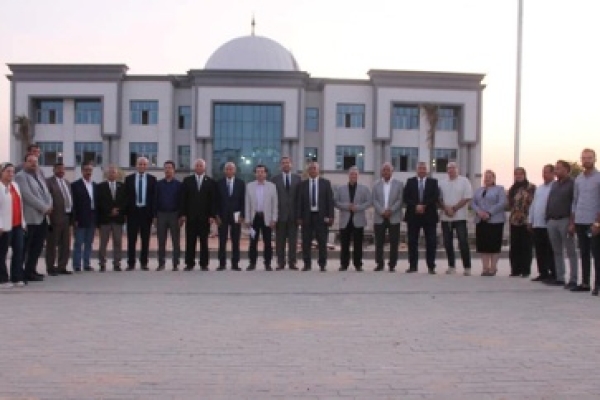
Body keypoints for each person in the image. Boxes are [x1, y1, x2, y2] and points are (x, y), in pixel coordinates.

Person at [15, 154, 52, 282]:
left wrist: (49, 205)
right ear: (25, 163)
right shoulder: (20, 177)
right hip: (30, 217)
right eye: (30, 161)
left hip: (42, 218)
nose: (33, 163)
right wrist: (44, 207)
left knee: (37, 247)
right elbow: (27, 195)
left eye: (35, 161)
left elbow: (47, 193)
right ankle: (20, 273)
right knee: (26, 247)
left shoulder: (39, 176)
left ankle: (31, 271)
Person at [570, 149, 600, 295]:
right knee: (584, 253)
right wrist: (573, 221)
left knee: (597, 253)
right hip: (580, 220)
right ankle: (585, 282)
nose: (586, 160)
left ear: (595, 159)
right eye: (584, 158)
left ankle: (597, 285)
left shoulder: (599, 178)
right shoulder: (579, 179)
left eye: (589, 158)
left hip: (593, 222)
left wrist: (597, 223)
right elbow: (575, 201)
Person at [544, 160, 578, 288]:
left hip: (565, 220)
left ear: (566, 170)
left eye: (559, 168)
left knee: (571, 251)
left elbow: (574, 203)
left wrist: (572, 222)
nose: (556, 171)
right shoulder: (554, 185)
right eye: (556, 168)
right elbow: (550, 201)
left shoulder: (573, 183)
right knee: (557, 250)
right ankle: (560, 277)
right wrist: (547, 218)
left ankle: (573, 279)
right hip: (552, 221)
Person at [179, 158, 217, 271]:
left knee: (204, 242)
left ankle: (204, 263)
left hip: (205, 218)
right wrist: (183, 214)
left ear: (204, 168)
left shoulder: (210, 182)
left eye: (201, 166)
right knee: (190, 241)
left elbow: (213, 200)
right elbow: (183, 199)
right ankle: (189, 263)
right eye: (197, 165)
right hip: (190, 217)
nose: (199, 167)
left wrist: (212, 216)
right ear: (194, 167)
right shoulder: (187, 180)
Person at [296, 162, 334, 272]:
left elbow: (330, 201)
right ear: (308, 171)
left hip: (321, 217)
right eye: (311, 169)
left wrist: (331, 216)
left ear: (318, 170)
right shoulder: (302, 185)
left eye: (315, 168)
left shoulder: (325, 183)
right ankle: (307, 264)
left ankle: (322, 264)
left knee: (322, 242)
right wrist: (299, 216)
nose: (313, 170)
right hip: (307, 217)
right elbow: (299, 202)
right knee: (306, 241)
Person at [404, 161, 440, 274]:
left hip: (429, 216)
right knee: (412, 241)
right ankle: (413, 266)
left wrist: (424, 206)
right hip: (413, 216)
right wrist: (416, 206)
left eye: (424, 168)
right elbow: (405, 197)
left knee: (431, 241)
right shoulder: (410, 182)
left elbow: (435, 197)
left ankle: (431, 266)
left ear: (427, 170)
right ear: (416, 170)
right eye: (420, 168)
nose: (422, 170)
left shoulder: (433, 182)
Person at [438, 161, 473, 276]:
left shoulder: (464, 181)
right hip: (446, 217)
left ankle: (467, 267)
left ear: (457, 169)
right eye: (449, 168)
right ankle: (451, 266)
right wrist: (446, 208)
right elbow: (438, 199)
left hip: (460, 217)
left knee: (463, 242)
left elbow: (467, 197)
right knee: (447, 243)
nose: (451, 170)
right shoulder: (442, 183)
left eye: (453, 168)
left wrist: (454, 208)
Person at [334, 166, 371, 272]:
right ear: (348, 176)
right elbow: (336, 202)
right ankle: (344, 264)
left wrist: (358, 207)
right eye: (351, 174)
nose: (353, 176)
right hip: (345, 220)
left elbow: (369, 202)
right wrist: (347, 206)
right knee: (344, 243)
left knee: (358, 244)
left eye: (355, 175)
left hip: (358, 219)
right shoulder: (340, 189)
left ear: (358, 176)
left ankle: (358, 264)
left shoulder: (364, 189)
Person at [124, 157, 157, 271]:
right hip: (133, 213)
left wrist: (153, 215)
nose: (142, 166)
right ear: (136, 165)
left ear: (147, 166)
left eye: (144, 164)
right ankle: (131, 263)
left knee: (145, 239)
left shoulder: (152, 179)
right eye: (140, 164)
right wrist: (125, 213)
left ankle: (144, 262)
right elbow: (126, 197)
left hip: (146, 213)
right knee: (131, 239)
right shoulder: (129, 179)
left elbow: (154, 198)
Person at [472, 170, 506, 276]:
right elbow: (473, 203)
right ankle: (485, 268)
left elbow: (502, 203)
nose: (487, 179)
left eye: (490, 177)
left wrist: (489, 213)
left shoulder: (499, 189)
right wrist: (479, 212)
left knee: (494, 245)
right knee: (483, 245)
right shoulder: (478, 190)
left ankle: (493, 267)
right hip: (481, 220)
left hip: (495, 221)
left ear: (494, 178)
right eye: (486, 177)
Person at [245, 165, 278, 271]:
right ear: (255, 173)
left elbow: (275, 204)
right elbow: (247, 204)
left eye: (262, 172)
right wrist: (247, 219)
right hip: (254, 218)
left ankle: (267, 263)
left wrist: (274, 218)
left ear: (266, 174)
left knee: (267, 242)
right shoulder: (249, 186)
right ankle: (252, 263)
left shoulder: (272, 186)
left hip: (267, 217)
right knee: (253, 241)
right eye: (258, 172)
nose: (260, 174)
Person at [271, 156, 301, 270]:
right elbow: (272, 199)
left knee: (293, 241)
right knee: (280, 241)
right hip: (280, 215)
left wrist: (299, 215)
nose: (286, 165)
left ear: (291, 164)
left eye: (287, 163)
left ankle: (292, 262)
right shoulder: (275, 179)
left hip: (293, 216)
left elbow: (300, 198)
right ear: (280, 166)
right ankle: (280, 262)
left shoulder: (297, 179)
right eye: (283, 163)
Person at [527, 164, 556, 282]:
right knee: (539, 249)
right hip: (538, 224)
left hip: (548, 223)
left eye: (547, 172)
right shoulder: (540, 188)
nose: (545, 175)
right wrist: (530, 220)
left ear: (553, 174)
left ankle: (553, 272)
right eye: (543, 172)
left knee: (550, 249)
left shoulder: (555, 187)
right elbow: (534, 205)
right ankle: (543, 272)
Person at [0, 162, 27, 288]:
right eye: (8, 171)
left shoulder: (15, 186)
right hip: (4, 226)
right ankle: (2, 279)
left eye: (12, 171)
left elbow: (19, 205)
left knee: (18, 251)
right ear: (1, 172)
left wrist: (23, 222)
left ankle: (16, 277)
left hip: (17, 224)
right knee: (2, 252)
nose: (11, 174)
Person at [215, 162, 245, 271]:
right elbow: (216, 201)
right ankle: (222, 263)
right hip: (222, 215)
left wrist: (242, 214)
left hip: (236, 215)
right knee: (222, 240)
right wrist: (216, 215)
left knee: (235, 240)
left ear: (235, 171)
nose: (229, 171)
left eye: (231, 169)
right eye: (227, 169)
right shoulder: (219, 183)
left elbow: (243, 200)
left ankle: (235, 263)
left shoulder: (241, 183)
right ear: (224, 171)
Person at [96, 164, 126, 272]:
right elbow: (99, 202)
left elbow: (125, 201)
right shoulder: (100, 187)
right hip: (105, 219)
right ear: (106, 174)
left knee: (118, 242)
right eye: (110, 172)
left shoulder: (122, 186)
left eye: (114, 172)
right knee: (103, 242)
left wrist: (118, 210)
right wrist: (110, 210)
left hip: (118, 219)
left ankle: (117, 263)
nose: (112, 174)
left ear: (117, 174)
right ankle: (102, 263)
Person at [45, 162, 73, 275]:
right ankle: (50, 267)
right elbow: (47, 199)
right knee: (52, 244)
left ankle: (62, 266)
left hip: (67, 217)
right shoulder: (48, 182)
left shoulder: (67, 182)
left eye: (63, 169)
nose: (61, 171)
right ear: (54, 170)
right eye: (59, 169)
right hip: (55, 217)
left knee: (65, 244)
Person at [507, 167, 536, 277]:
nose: (518, 176)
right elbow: (510, 204)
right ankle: (515, 269)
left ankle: (525, 270)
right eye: (516, 174)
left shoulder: (531, 187)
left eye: (520, 174)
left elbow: (533, 203)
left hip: (526, 220)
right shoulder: (512, 188)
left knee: (526, 245)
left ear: (524, 175)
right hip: (514, 220)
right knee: (514, 246)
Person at [155, 161, 182, 271]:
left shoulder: (179, 185)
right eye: (166, 168)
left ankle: (175, 263)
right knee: (161, 241)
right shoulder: (159, 184)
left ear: (174, 170)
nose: (168, 170)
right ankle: (161, 263)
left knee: (176, 241)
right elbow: (155, 201)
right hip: (161, 215)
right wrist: (155, 216)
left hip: (174, 215)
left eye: (170, 168)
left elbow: (181, 201)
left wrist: (181, 216)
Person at [71, 162, 97, 272]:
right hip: (80, 218)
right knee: (78, 243)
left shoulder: (95, 185)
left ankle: (86, 264)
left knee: (89, 243)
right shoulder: (75, 185)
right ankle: (77, 265)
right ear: (82, 171)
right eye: (86, 170)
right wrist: (75, 219)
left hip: (92, 218)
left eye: (90, 170)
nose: (88, 172)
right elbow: (74, 204)